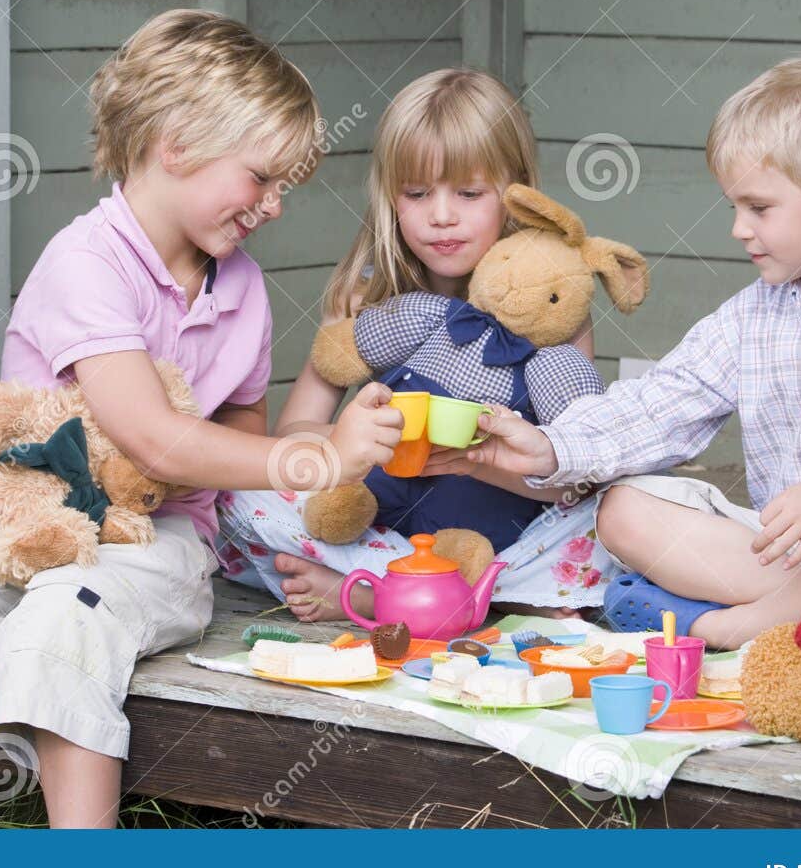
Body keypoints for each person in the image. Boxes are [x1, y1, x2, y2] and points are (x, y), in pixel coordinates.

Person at [0, 10, 402, 827]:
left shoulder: (242, 288)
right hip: (21, 528)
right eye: (261, 177)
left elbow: (235, 445)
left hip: (151, 546)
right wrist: (324, 456)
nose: (273, 205)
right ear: (177, 144)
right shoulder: (87, 262)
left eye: (284, 186)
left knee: (65, 612)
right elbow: (153, 434)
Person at [465, 56, 801, 649]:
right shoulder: (750, 317)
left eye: (759, 208)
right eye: (735, 206)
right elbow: (658, 406)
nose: (739, 228)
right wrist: (550, 445)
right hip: (770, 555)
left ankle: (728, 627)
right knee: (624, 509)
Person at [214, 68, 619, 621]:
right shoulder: (367, 292)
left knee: (613, 512)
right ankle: (448, 596)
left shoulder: (551, 304)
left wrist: (475, 461)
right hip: (376, 517)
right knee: (237, 496)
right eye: (417, 192)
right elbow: (292, 434)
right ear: (391, 197)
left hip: (493, 532)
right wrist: (362, 437)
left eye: (470, 193)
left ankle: (382, 593)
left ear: (518, 194)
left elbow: (570, 478)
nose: (441, 215)